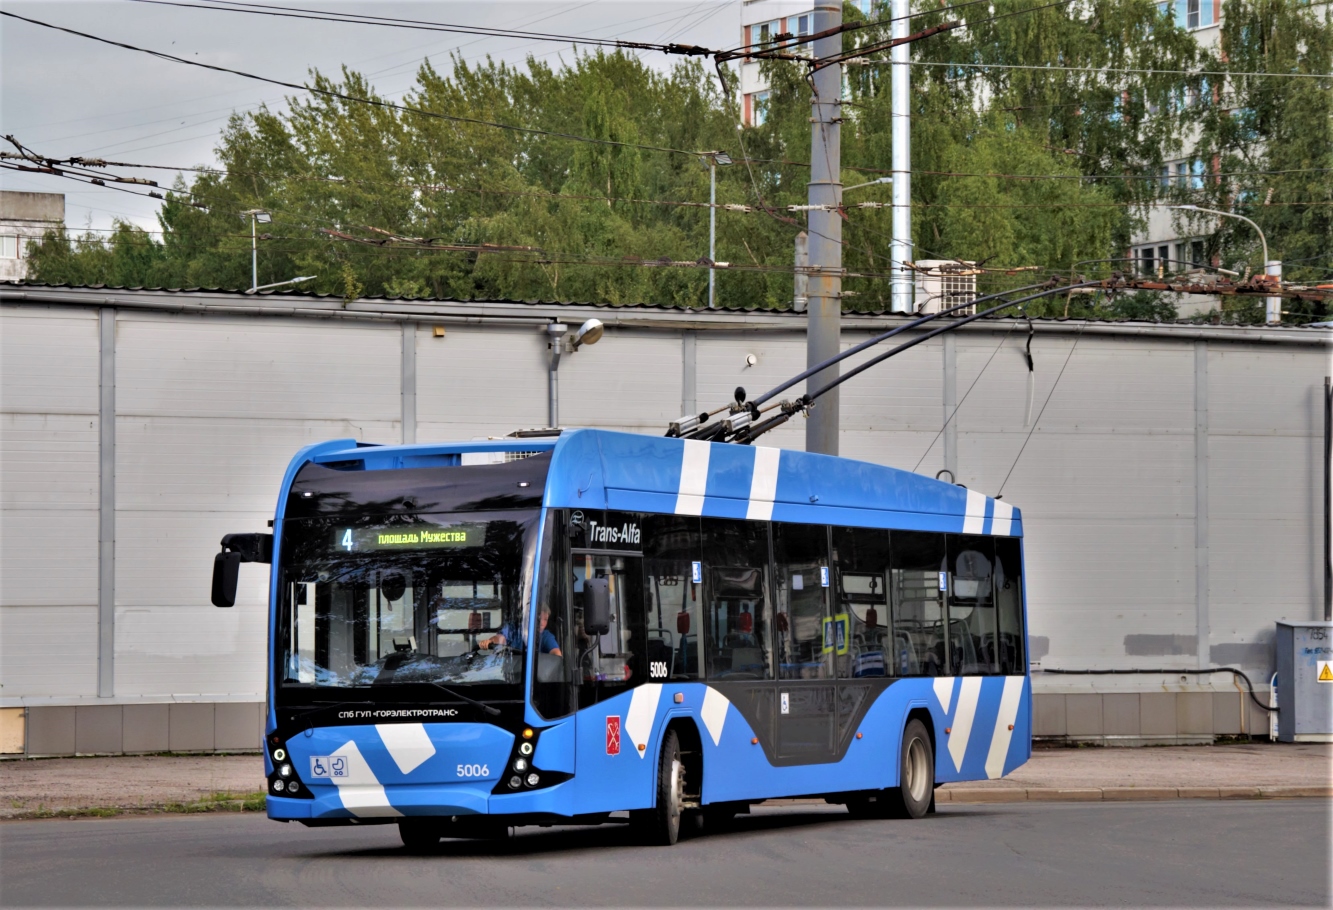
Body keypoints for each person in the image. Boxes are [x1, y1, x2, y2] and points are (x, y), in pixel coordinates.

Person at [485, 606, 562, 656]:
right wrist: (490, 642)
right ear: (529, 616)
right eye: (538, 618)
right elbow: (500, 638)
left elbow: (556, 654)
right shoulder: (513, 629)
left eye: (545, 619)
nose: (541, 623)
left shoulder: (546, 636)